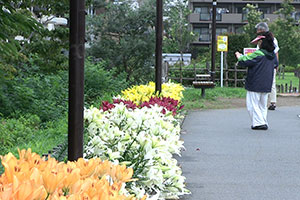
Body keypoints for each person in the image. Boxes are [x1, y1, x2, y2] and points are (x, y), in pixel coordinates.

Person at [235, 32, 278, 130]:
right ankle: (263, 121)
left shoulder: (258, 54)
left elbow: (244, 61)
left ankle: (259, 123)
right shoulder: (272, 55)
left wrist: (239, 56)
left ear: (262, 42)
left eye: (258, 42)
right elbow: (276, 64)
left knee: (252, 104)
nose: (258, 44)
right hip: (267, 83)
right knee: (263, 105)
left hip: (255, 83)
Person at [255, 22, 280, 110]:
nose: (257, 31)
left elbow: (275, 52)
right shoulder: (271, 39)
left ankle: (270, 102)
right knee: (271, 82)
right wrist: (276, 63)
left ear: (262, 30)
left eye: (258, 29)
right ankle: (271, 102)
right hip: (270, 63)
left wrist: (276, 63)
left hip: (266, 63)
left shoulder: (269, 39)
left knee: (269, 82)